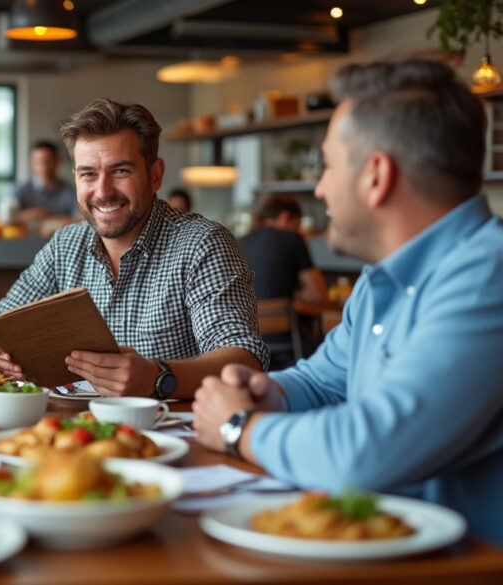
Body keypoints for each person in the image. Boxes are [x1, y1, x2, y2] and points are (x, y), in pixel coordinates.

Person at [192, 59, 503, 545]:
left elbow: (367, 451)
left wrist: (240, 427)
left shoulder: (489, 273)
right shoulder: (381, 279)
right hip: (380, 552)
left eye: (329, 166)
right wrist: (264, 391)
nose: (319, 187)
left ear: (376, 176)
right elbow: (322, 380)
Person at [0, 98, 268, 399]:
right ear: (75, 178)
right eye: (88, 174)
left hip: (171, 434)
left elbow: (244, 361)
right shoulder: (64, 246)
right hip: (71, 430)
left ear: (156, 175)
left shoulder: (203, 244)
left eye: (121, 171)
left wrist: (155, 377)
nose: (103, 191)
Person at [239, 194, 327, 303]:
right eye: (297, 225)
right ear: (284, 217)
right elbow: (317, 294)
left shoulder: (241, 242)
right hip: (284, 319)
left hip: (248, 319)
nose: (298, 230)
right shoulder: (293, 239)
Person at [13, 140, 79, 221]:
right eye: (38, 162)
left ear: (57, 161)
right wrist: (32, 214)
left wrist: (53, 219)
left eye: (47, 161)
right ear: (31, 164)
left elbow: (81, 219)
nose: (43, 167)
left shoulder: (70, 192)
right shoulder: (19, 190)